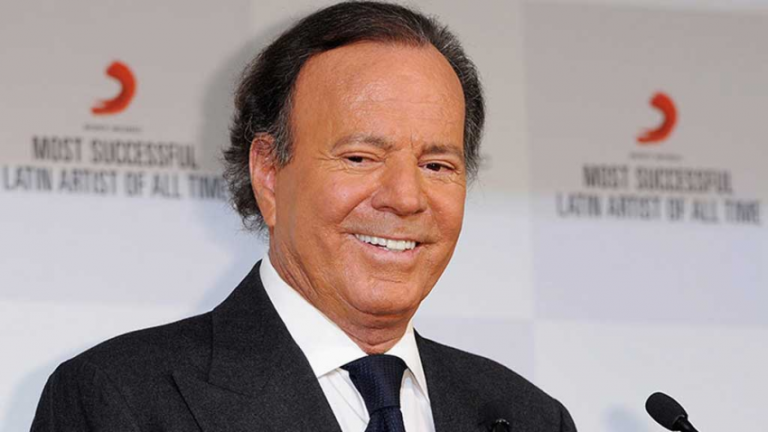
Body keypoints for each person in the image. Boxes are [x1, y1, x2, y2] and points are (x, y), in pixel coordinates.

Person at [31, 2, 576, 431]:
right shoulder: (118, 400)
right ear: (269, 173)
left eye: (437, 165)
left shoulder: (530, 417)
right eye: (360, 158)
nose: (406, 198)